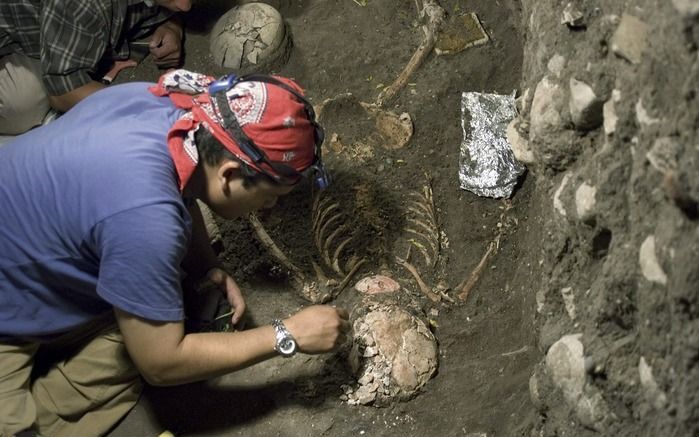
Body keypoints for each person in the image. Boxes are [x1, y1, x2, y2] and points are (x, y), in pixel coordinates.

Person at [0, 69, 349, 437]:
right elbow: (161, 365)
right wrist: (287, 334)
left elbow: (184, 182)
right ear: (230, 175)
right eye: (269, 196)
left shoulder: (172, 104)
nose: (267, 208)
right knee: (156, 352)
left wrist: (205, 266)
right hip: (10, 311)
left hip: (27, 265)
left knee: (185, 310)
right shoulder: (146, 219)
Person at [0, 0, 191, 137]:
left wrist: (172, 25)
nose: (185, 6)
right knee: (24, 104)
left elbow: (181, 8)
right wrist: (153, 104)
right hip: (13, 39)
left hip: (60, 21)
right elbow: (62, 91)